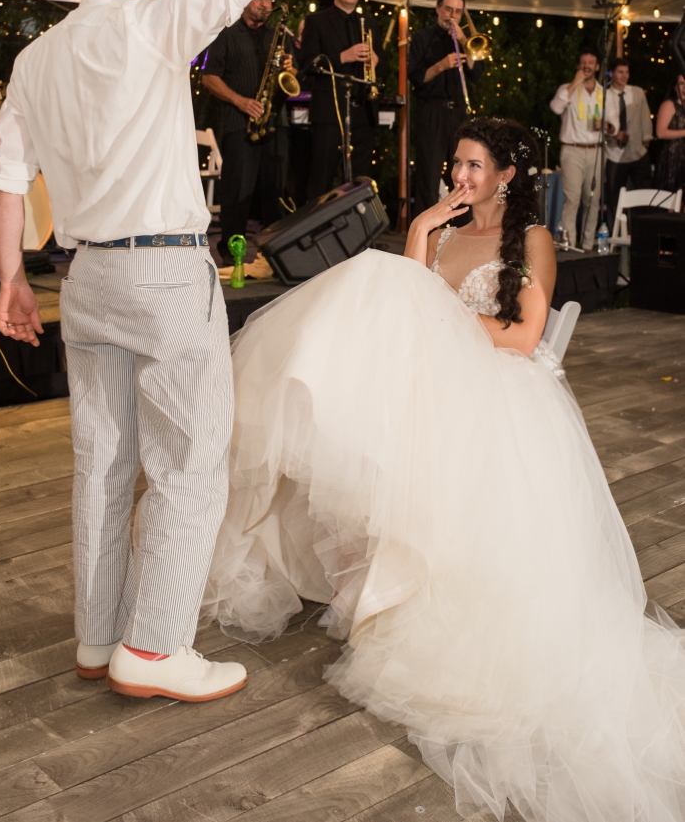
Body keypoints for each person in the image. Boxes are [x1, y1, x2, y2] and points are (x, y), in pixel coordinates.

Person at [203, 116, 685, 820]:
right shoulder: (446, 231)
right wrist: (424, 227)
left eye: (472, 165)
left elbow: (521, 336)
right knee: (356, 358)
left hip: (497, 386)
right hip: (436, 377)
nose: (459, 176)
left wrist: (441, 330)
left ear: (507, 174)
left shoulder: (534, 240)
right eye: (454, 164)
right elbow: (406, 304)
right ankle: (357, 574)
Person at [0, 0, 294, 701]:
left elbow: (7, 180)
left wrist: (10, 277)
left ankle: (96, 638)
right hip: (163, 275)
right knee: (191, 461)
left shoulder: (35, 59)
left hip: (85, 282)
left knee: (104, 465)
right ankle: (155, 648)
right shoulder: (156, 25)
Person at [200, 0, 277, 258]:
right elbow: (208, 77)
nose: (265, 3)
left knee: (273, 192)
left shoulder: (275, 35)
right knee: (237, 193)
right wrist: (240, 101)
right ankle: (231, 254)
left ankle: (275, 253)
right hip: (237, 126)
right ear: (245, 0)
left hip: (271, 126)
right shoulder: (227, 32)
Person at [299, 0, 382, 197]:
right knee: (322, 176)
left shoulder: (370, 24)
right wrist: (343, 57)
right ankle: (315, 229)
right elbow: (308, 64)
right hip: (329, 112)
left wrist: (375, 60)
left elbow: (383, 65)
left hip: (362, 111)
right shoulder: (316, 21)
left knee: (360, 179)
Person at [407, 0, 486, 214]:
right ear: (438, 8)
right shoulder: (422, 38)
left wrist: (463, 40)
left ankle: (462, 230)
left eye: (458, 12)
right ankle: (426, 233)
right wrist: (441, 65)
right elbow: (417, 78)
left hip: (459, 114)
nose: (453, 15)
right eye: (449, 9)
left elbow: (477, 73)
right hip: (432, 111)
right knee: (429, 175)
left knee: (463, 176)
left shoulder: (464, 40)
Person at [549, 46, 606, 249]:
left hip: (597, 150)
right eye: (583, 62)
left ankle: (589, 245)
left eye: (590, 63)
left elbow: (615, 123)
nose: (586, 66)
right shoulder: (568, 88)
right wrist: (575, 82)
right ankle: (569, 245)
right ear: (578, 65)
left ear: (597, 66)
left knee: (593, 201)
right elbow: (555, 107)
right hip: (572, 150)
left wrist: (608, 126)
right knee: (572, 199)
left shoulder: (604, 92)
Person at [600, 58, 653, 225]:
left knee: (643, 194)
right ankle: (614, 232)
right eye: (620, 72)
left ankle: (642, 232)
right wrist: (613, 135)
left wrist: (646, 140)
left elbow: (645, 117)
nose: (624, 76)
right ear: (612, 73)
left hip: (638, 152)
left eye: (627, 72)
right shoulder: (605, 96)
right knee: (614, 196)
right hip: (615, 153)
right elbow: (601, 123)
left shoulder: (636, 92)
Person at [655, 71, 685, 193]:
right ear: (674, 87)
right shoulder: (669, 104)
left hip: (683, 158)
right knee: (669, 198)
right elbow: (660, 132)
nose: (684, 88)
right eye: (681, 84)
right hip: (671, 158)